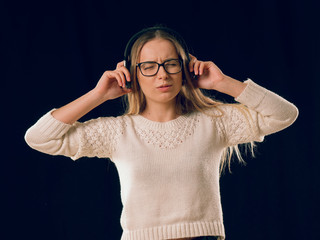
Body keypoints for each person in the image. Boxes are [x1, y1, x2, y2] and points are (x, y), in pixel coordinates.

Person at [25, 26, 298, 240]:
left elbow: (285, 114)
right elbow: (39, 138)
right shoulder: (118, 131)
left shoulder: (215, 122)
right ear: (133, 74)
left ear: (185, 69)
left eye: (171, 63)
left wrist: (222, 82)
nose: (162, 75)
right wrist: (98, 95)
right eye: (149, 66)